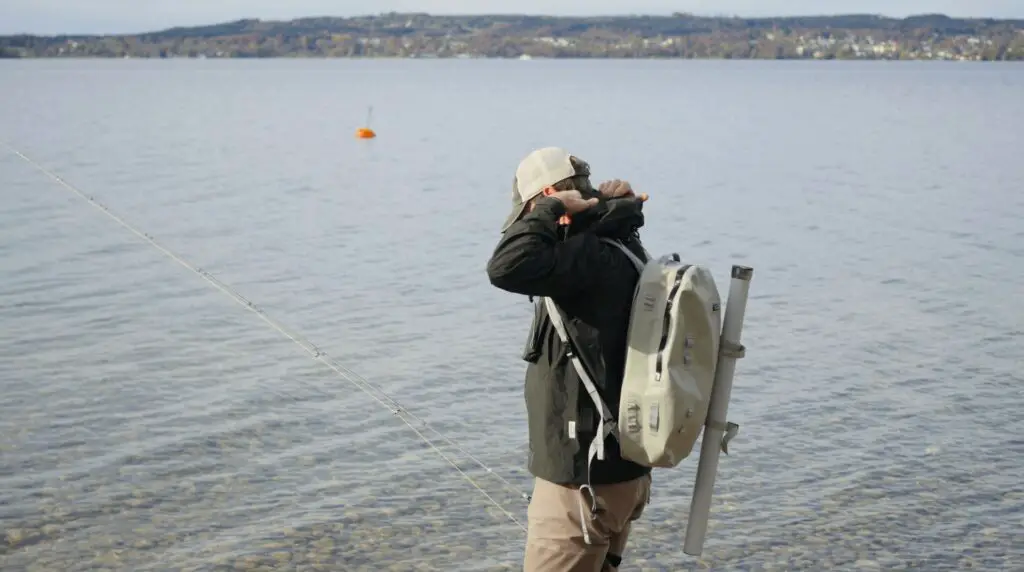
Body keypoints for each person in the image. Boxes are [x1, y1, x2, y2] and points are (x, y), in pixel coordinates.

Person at [486, 147, 653, 572]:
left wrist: (552, 208)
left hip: (581, 486)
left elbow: (505, 266)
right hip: (620, 473)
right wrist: (611, 205)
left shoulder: (586, 258)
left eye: (530, 209)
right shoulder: (618, 245)